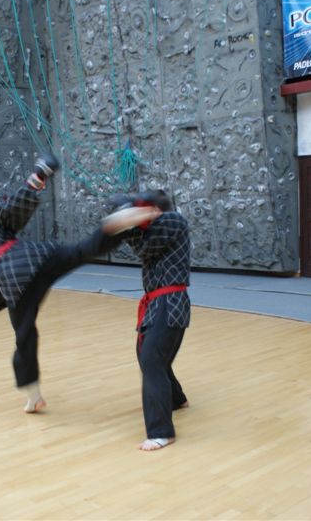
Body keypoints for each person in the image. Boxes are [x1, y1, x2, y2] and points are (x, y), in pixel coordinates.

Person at [0, 153, 160, 413]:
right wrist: (38, 176)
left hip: (14, 281)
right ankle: (116, 224)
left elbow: (9, 218)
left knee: (24, 336)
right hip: (33, 260)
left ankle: (33, 396)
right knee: (81, 251)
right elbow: (11, 211)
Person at [113, 190, 191, 451]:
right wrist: (126, 220)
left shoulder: (174, 221)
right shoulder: (152, 230)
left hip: (170, 301)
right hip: (157, 302)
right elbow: (140, 243)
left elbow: (144, 247)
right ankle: (176, 399)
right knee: (150, 356)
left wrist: (129, 219)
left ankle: (161, 432)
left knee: (152, 358)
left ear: (156, 210)